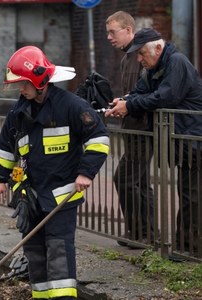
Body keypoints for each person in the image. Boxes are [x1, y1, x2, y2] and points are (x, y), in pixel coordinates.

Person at [0, 46, 109, 299]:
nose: (20, 90)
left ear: (39, 80)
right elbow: (5, 147)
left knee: (58, 250)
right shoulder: (18, 112)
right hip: (29, 195)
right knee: (34, 251)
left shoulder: (71, 106)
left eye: (23, 84)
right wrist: (0, 179)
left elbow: (99, 139)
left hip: (61, 195)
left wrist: (86, 173)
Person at [105, 28, 202, 254]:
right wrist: (125, 100)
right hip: (183, 138)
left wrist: (129, 106)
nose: (139, 59)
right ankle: (185, 246)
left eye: (141, 54)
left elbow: (166, 96)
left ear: (158, 48)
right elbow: (140, 92)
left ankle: (191, 248)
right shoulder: (154, 68)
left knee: (192, 195)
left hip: (194, 137)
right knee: (187, 193)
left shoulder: (176, 62)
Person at [105, 11, 155, 247]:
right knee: (140, 181)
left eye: (113, 32)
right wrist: (121, 102)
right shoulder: (127, 58)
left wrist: (129, 105)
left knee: (125, 179)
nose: (109, 37)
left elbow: (147, 95)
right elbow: (135, 94)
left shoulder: (141, 57)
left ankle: (142, 233)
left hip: (143, 129)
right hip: (133, 129)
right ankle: (143, 232)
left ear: (128, 30)